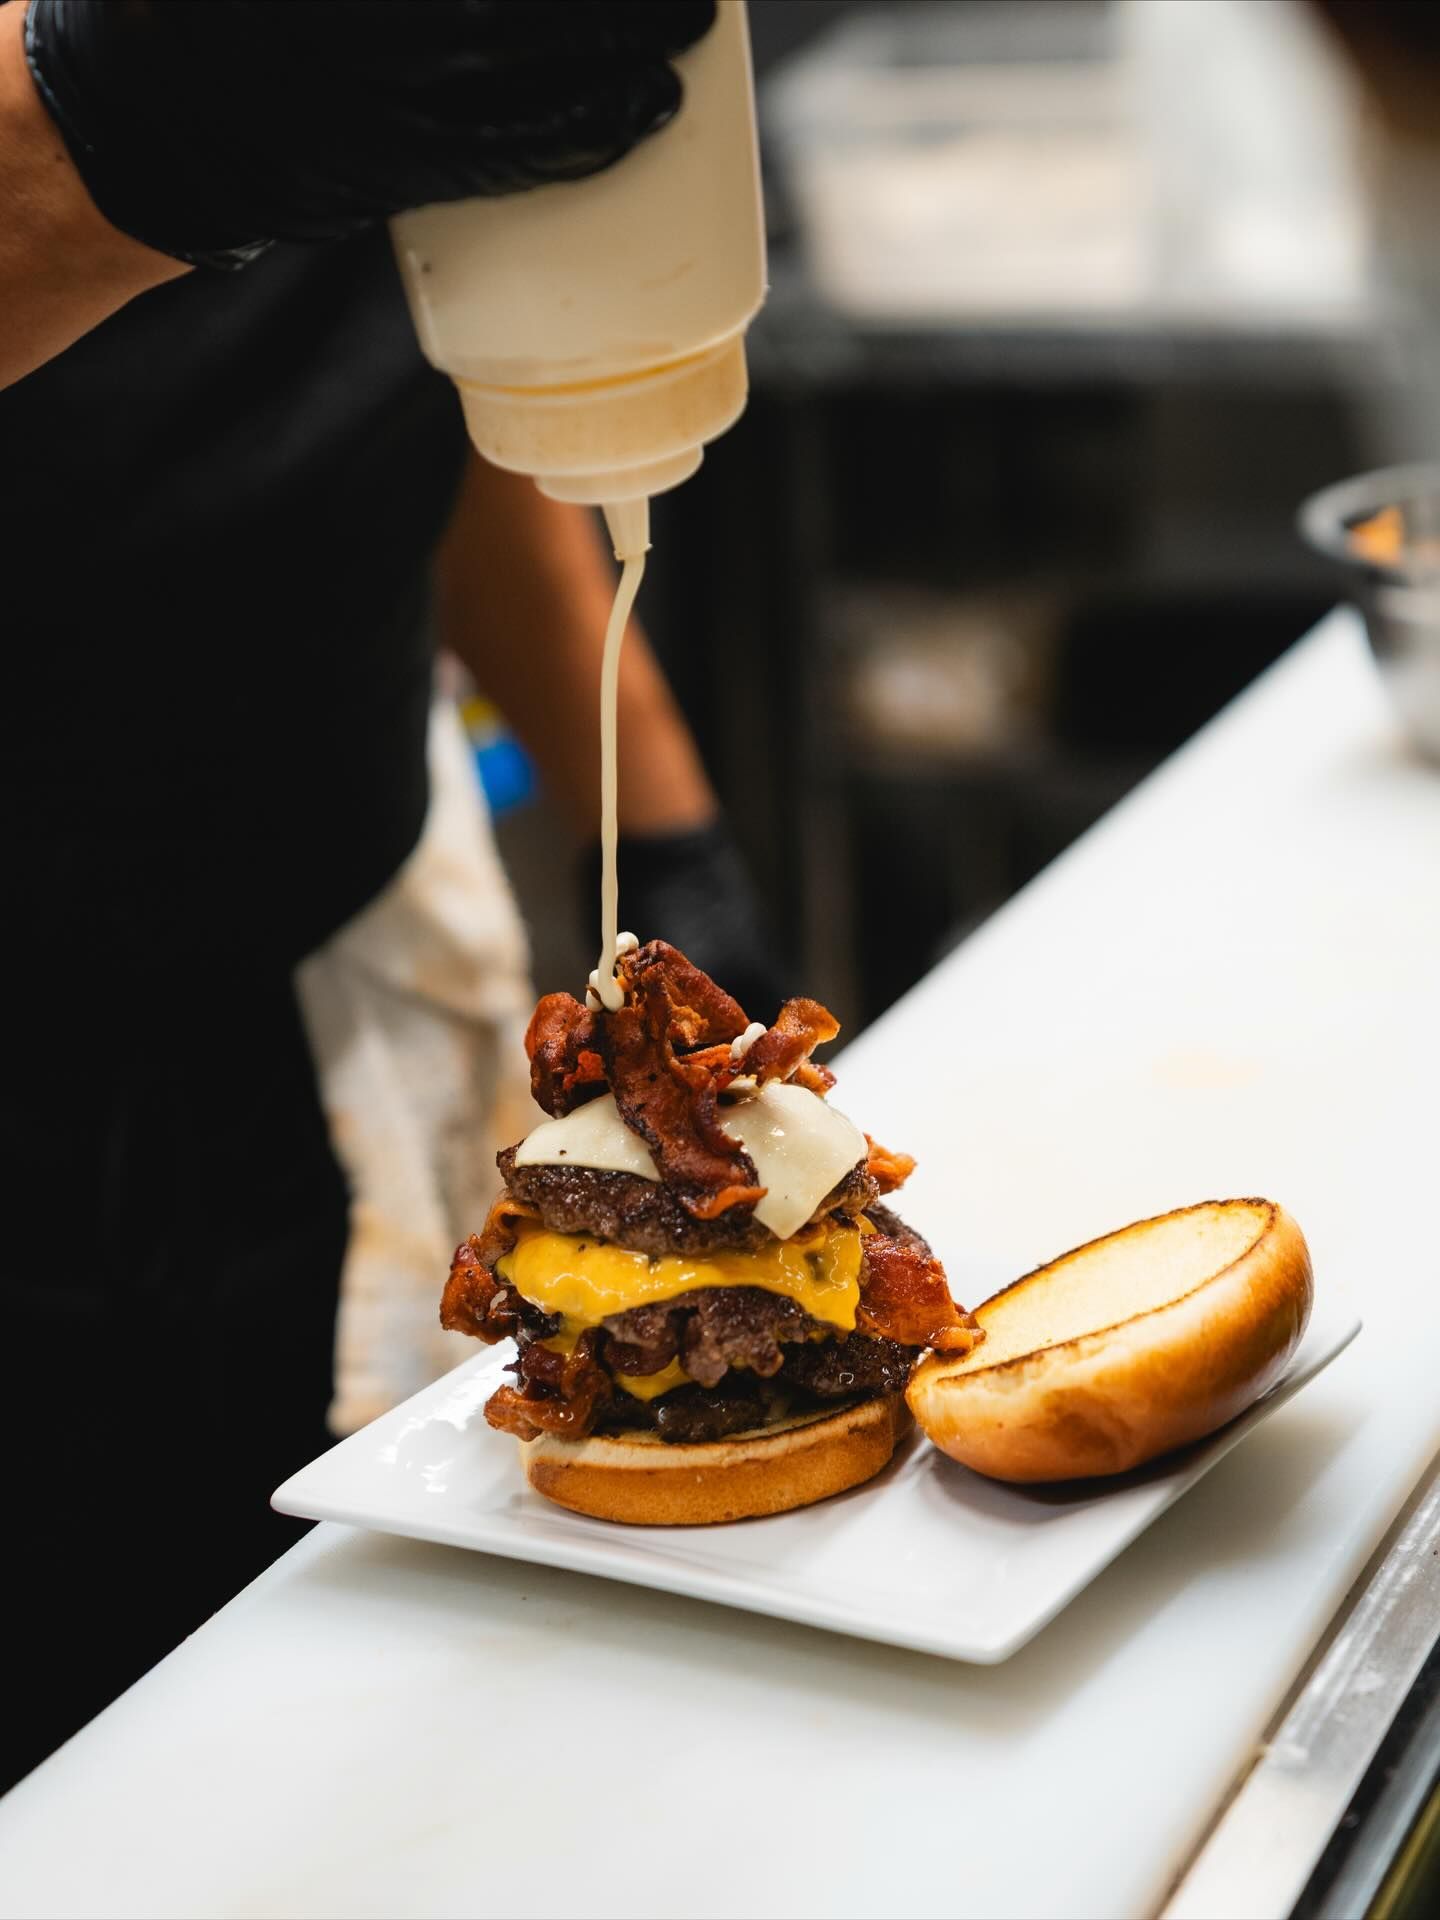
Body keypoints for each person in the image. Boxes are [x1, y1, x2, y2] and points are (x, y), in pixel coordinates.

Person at [0, 0, 777, 1789]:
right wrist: (88, 145)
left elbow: (416, 349)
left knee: (343, 1750)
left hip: (305, 996)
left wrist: (659, 829)